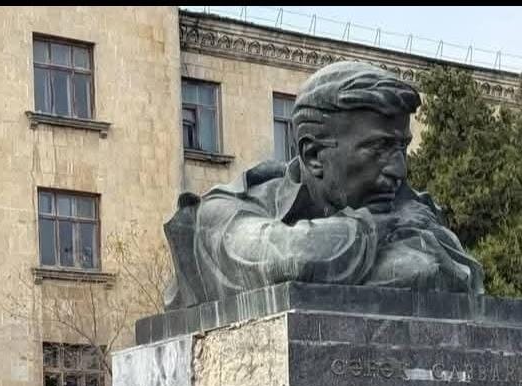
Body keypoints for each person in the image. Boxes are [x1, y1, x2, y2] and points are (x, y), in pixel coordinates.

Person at [163, 60, 484, 309]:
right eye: (379, 148)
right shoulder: (223, 211)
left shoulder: (404, 203)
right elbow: (286, 259)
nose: (399, 169)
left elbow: (451, 274)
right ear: (313, 154)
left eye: (402, 147)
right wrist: (379, 228)